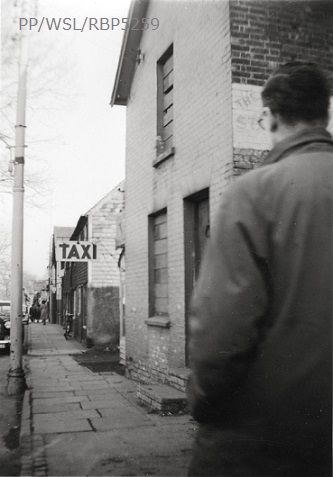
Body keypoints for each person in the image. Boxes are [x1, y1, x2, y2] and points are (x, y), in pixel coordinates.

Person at [187, 62, 332, 477]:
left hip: (263, 442)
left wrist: (204, 403)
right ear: (325, 113)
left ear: (269, 115)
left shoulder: (252, 195)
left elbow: (221, 330)